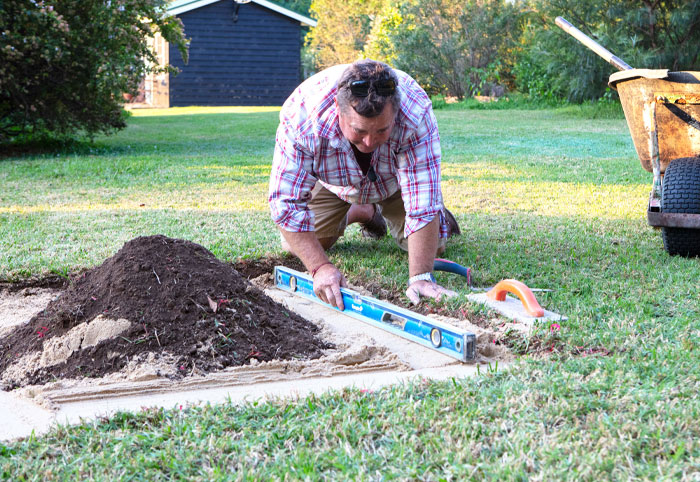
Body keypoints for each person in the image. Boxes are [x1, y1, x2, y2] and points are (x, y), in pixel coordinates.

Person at [268, 59, 460, 310]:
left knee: (434, 249)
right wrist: (320, 268)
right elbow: (286, 205)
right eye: (359, 131)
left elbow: (422, 203)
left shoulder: (415, 111)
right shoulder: (302, 116)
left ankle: (438, 218)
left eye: (381, 130)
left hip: (396, 183)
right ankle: (363, 211)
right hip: (336, 186)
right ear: (338, 107)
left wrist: (421, 277)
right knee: (294, 246)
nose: (370, 142)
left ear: (396, 111)